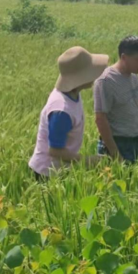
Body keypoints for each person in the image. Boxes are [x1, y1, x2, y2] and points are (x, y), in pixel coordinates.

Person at [29, 47, 109, 179]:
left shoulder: (72, 93)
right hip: (47, 173)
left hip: (59, 168)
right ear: (81, 78)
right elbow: (55, 151)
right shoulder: (62, 111)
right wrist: (88, 160)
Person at [94, 36, 138, 163]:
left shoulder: (133, 77)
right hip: (116, 143)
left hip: (134, 142)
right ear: (124, 57)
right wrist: (115, 154)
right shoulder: (106, 81)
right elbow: (100, 119)